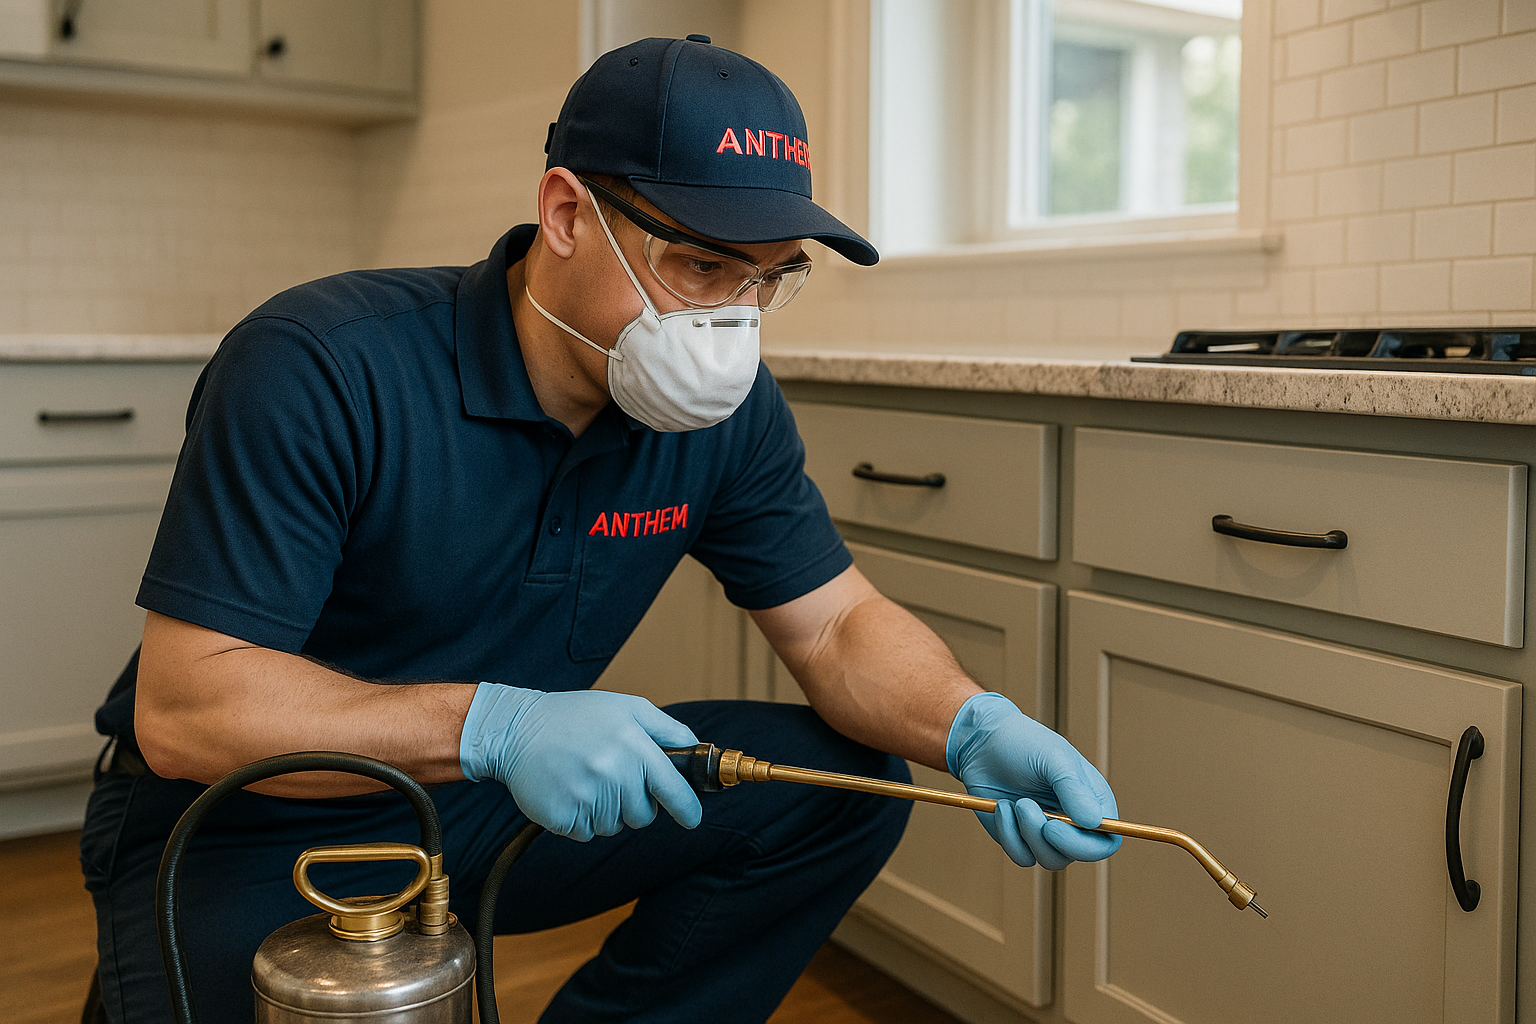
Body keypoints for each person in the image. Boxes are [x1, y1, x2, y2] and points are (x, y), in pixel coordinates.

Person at [81, 35, 1120, 1023]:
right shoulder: (324, 366)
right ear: (567, 212)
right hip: (239, 817)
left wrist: (968, 722)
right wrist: (499, 725)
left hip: (480, 804)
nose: (731, 323)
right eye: (703, 268)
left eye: (770, 279)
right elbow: (187, 709)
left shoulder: (723, 415)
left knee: (844, 790)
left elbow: (835, 625)